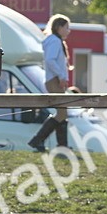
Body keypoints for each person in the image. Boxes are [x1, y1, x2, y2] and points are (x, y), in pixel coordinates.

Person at [27, 15, 73, 152]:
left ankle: (61, 145)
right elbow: (50, 60)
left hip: (54, 80)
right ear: (59, 28)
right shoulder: (54, 41)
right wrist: (60, 76)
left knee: (62, 112)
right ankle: (38, 140)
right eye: (66, 27)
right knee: (62, 113)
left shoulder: (55, 40)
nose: (68, 31)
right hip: (54, 80)